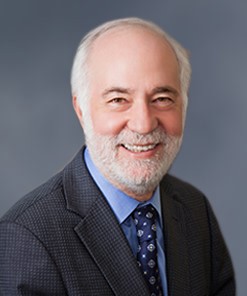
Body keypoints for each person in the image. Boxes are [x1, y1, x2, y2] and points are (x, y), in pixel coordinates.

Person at [0, 17, 235, 295]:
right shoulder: (27, 238)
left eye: (162, 98)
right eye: (118, 100)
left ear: (183, 105)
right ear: (82, 110)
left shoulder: (195, 210)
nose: (144, 124)